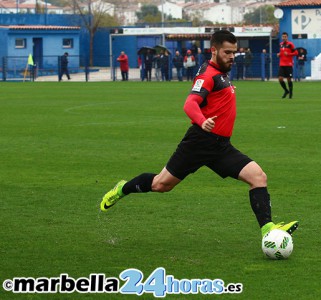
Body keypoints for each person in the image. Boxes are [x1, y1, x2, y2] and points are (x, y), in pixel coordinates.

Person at [100, 30, 299, 242]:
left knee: (258, 177)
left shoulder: (220, 71)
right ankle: (123, 188)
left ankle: (268, 230)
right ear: (214, 50)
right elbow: (190, 103)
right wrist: (202, 121)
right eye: (227, 52)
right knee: (161, 185)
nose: (232, 56)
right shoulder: (208, 76)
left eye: (234, 52)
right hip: (198, 143)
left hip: (221, 147)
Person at [277, 32, 298, 99]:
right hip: (282, 64)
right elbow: (282, 53)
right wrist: (279, 54)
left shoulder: (290, 44)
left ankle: (291, 93)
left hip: (289, 64)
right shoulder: (280, 45)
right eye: (283, 37)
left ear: (287, 37)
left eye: (285, 36)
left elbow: (296, 53)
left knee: (289, 79)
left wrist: (289, 54)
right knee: (280, 79)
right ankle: (286, 91)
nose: (284, 38)